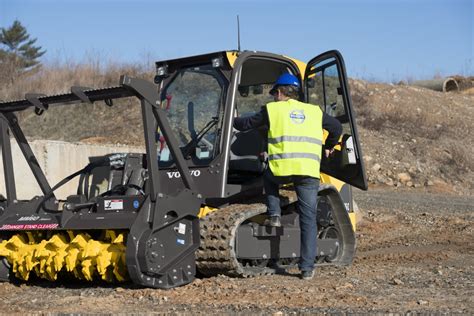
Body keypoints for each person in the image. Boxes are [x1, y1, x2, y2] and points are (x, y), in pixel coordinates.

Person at [233, 73, 342, 280]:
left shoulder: (272, 110)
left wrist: (231, 116)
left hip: (281, 170)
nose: (274, 97)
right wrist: (328, 147)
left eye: (275, 93)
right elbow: (336, 127)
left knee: (267, 176)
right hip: (308, 172)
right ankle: (307, 269)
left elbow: (245, 125)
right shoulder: (314, 111)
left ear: (281, 92)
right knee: (308, 219)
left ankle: (274, 215)